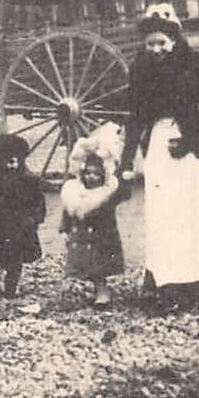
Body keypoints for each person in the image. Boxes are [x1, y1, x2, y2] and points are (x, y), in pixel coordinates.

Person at [119, 4, 199, 313]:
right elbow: (136, 115)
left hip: (196, 146)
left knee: (196, 212)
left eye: (161, 43)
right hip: (160, 143)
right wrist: (126, 161)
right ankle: (165, 282)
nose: (156, 50)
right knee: (164, 214)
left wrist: (192, 140)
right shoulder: (140, 68)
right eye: (150, 44)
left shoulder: (196, 64)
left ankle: (197, 282)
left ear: (174, 40)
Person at [60, 124, 131, 308]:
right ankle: (93, 288)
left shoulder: (106, 193)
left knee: (99, 266)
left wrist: (122, 176)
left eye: (96, 174)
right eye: (88, 173)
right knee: (85, 264)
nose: (91, 177)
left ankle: (102, 291)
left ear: (103, 175)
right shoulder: (73, 192)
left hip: (102, 237)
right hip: (82, 237)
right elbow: (68, 211)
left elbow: (123, 193)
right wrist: (65, 228)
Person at [0, 133, 47, 298]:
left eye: (15, 159)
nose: (11, 164)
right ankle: (7, 279)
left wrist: (33, 219)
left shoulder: (29, 180)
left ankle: (11, 285)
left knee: (15, 257)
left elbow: (39, 202)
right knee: (4, 255)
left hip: (20, 225)